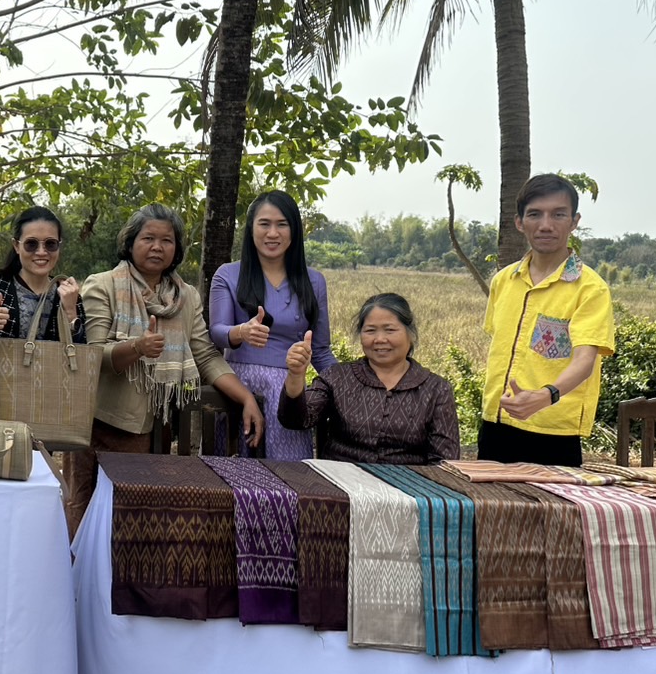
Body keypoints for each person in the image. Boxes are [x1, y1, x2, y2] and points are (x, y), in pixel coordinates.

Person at [63, 203, 265, 536]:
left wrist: (245, 398)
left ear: (177, 249)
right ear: (130, 243)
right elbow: (93, 355)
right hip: (99, 424)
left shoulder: (185, 297)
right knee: (84, 519)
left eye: (167, 240)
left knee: (132, 525)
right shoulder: (102, 286)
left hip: (156, 428)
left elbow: (206, 356)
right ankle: (76, 588)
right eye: (148, 238)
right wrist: (137, 348)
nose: (157, 247)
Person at [478, 173, 615, 467]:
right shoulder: (504, 281)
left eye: (558, 214)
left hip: (553, 431)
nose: (546, 225)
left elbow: (584, 362)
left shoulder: (590, 289)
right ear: (519, 222)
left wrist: (546, 396)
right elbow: (499, 347)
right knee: (490, 512)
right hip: (496, 424)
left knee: (553, 514)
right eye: (535, 214)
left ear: (574, 221)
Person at [209, 190, 336, 459]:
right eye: (264, 224)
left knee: (289, 476)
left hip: (289, 390)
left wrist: (348, 386)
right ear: (251, 229)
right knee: (234, 476)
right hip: (238, 387)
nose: (272, 233)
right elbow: (217, 332)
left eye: (282, 224)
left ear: (294, 230)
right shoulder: (228, 275)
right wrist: (242, 331)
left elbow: (321, 350)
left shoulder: (314, 282)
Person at [278, 293, 460, 464]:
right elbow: (296, 420)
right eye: (370, 331)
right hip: (342, 488)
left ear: (410, 334)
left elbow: (445, 461)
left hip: (406, 492)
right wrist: (295, 374)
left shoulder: (437, 389)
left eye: (390, 330)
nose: (379, 339)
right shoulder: (337, 377)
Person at [0, 207, 87, 418]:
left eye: (50, 244)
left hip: (44, 409)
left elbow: (80, 359)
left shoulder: (69, 295)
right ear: (17, 246)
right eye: (32, 244)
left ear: (59, 246)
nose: (41, 252)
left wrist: (71, 313)